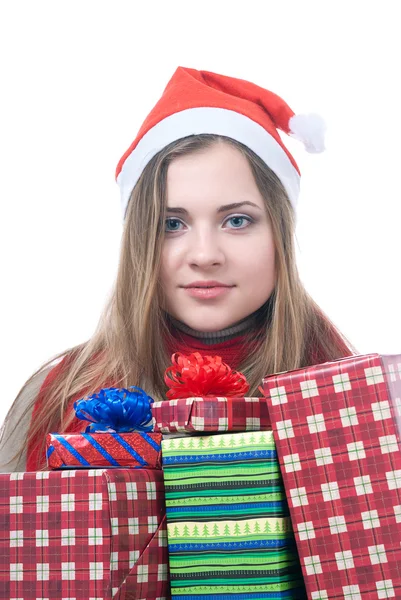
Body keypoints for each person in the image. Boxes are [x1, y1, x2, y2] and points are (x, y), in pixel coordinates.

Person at [0, 66, 356, 472]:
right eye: (172, 224)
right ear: (138, 240)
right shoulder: (54, 399)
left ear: (281, 234)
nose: (204, 255)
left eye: (237, 220)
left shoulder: (356, 400)